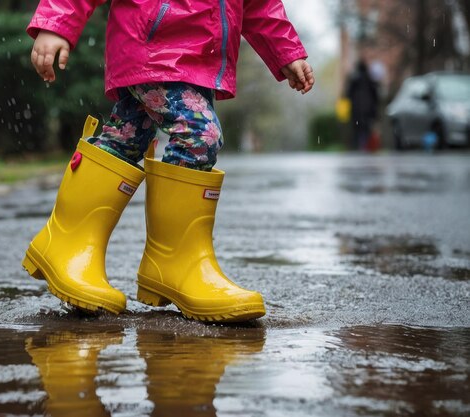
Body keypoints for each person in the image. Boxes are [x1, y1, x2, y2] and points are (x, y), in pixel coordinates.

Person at [22, 0, 314, 322]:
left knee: (126, 138)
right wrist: (55, 23)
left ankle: (66, 243)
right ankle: (175, 263)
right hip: (153, 47)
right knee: (199, 134)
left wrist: (286, 51)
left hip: (200, 58)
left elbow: (259, 5)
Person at [346, 60, 380, 150]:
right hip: (368, 109)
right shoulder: (370, 79)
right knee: (367, 128)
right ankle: (366, 146)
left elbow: (348, 94)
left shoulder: (354, 80)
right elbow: (376, 95)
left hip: (356, 109)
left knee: (357, 128)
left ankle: (358, 146)